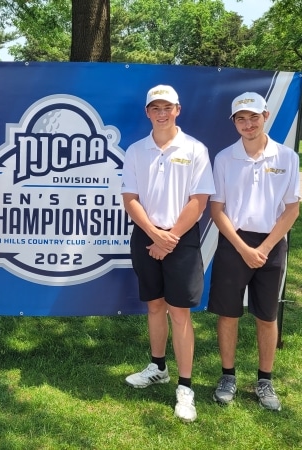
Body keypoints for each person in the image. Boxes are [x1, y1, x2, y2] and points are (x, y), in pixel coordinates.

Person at [121, 85, 215, 422]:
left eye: (167, 107)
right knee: (155, 306)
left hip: (180, 240)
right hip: (146, 236)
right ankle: (158, 366)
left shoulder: (195, 149)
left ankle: (186, 387)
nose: (161, 113)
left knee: (179, 312)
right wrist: (154, 235)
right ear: (147, 113)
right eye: (155, 108)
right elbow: (129, 198)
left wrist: (169, 238)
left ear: (178, 109)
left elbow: (199, 201)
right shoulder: (135, 150)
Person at [208, 92, 300, 411]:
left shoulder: (287, 157)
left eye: (253, 117)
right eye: (241, 119)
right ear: (234, 122)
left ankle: (264, 380)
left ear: (266, 115)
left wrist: (262, 247)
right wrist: (245, 248)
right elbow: (217, 209)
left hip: (271, 244)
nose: (248, 124)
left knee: (267, 314)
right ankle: (228, 376)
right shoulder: (223, 158)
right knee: (229, 313)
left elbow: (291, 209)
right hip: (235, 243)